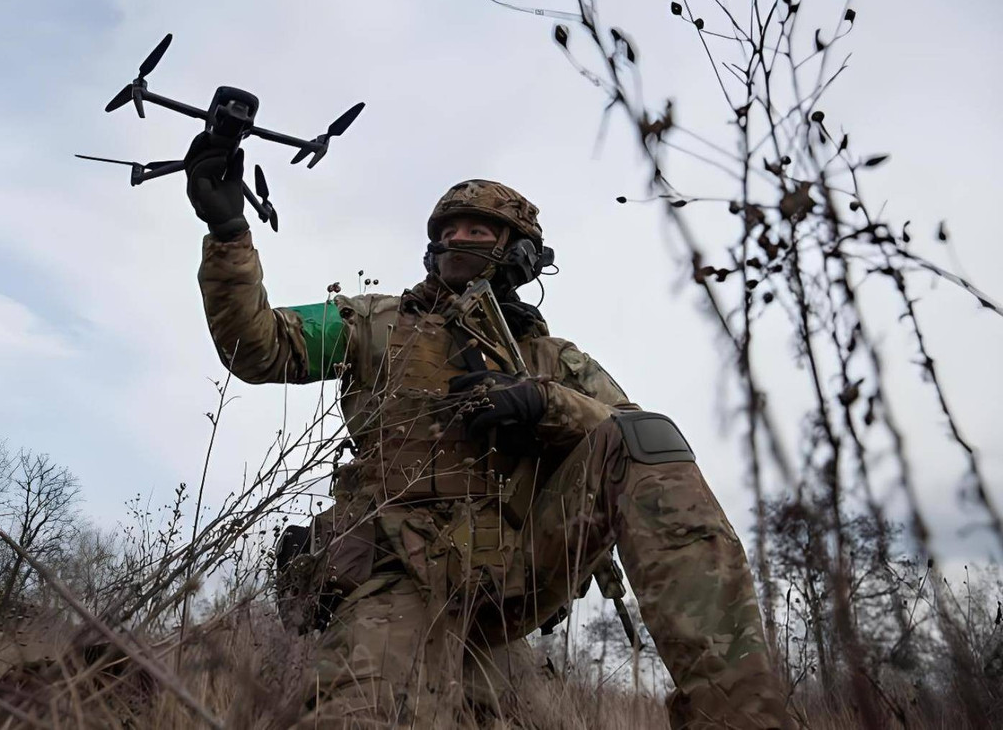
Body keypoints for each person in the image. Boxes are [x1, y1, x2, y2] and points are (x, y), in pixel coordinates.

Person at [185, 132, 793, 729]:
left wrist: (544, 403)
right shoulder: (373, 322)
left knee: (648, 440)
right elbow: (258, 345)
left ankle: (739, 714)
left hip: (519, 571)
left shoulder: (557, 360)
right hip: (402, 566)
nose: (456, 238)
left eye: (477, 229)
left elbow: (630, 438)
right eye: (446, 231)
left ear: (519, 250)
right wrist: (229, 235)